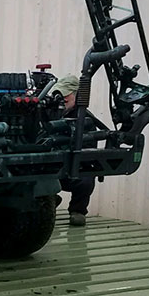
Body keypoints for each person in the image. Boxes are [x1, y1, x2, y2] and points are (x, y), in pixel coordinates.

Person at [51, 74, 96, 226]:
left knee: (86, 177)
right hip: (51, 167)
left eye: (66, 95)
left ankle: (78, 210)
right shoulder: (48, 114)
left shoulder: (86, 121)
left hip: (71, 168)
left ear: (77, 96)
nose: (61, 99)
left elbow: (89, 149)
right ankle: (47, 200)